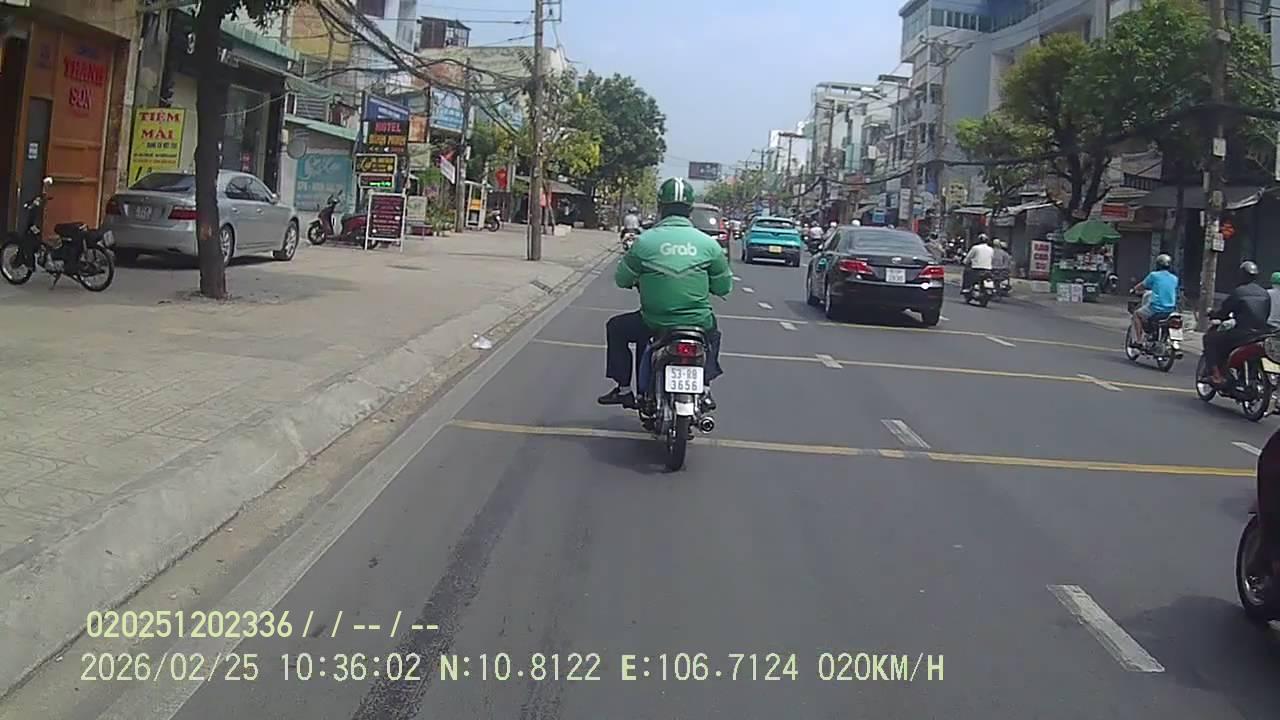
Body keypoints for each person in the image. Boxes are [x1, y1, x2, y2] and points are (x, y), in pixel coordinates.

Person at [598, 177, 731, 410]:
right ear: (690, 210)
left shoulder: (644, 242)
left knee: (616, 328)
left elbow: (622, 280)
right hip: (698, 322)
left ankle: (624, 389)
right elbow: (723, 288)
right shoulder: (709, 245)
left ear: (660, 208)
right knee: (713, 334)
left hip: (653, 321)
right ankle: (705, 387)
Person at [1203, 261, 1272, 385]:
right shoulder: (1264, 293)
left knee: (1210, 339)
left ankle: (1216, 375)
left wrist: (1213, 314)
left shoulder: (1238, 292)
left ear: (1242, 275)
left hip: (1241, 334)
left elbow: (1223, 313)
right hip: (1261, 334)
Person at [1128, 254, 1179, 346]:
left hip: (1156, 307)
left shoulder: (1154, 276)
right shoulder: (1174, 278)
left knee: (1137, 314)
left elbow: (1142, 285)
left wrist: (1134, 289)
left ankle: (1138, 341)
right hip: (1171, 309)